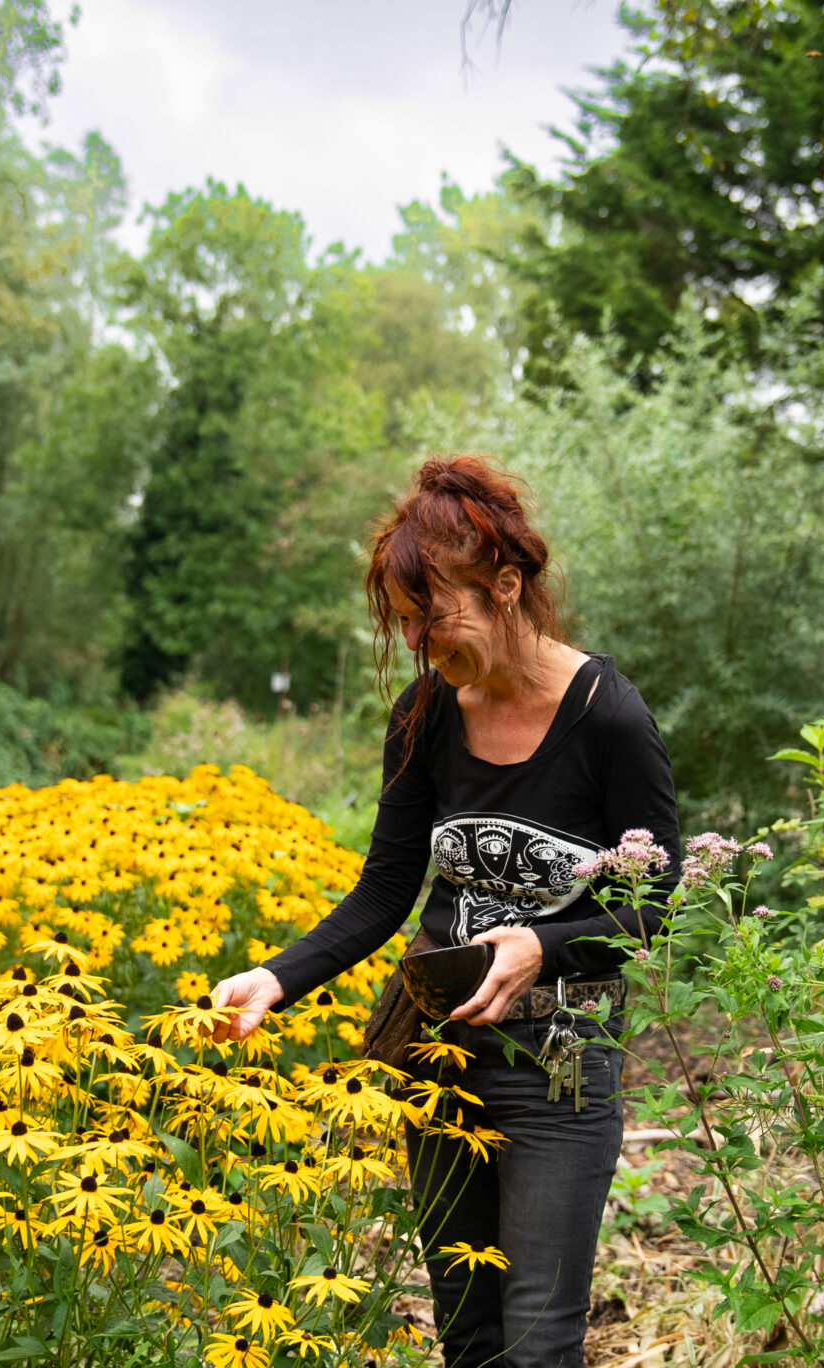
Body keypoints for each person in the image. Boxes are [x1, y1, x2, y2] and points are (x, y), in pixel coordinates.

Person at [209, 455, 680, 1368]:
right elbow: (386, 892)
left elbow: (654, 907)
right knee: (470, 1340)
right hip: (437, 1058)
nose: (421, 640)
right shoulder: (423, 712)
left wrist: (543, 947)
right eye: (405, 619)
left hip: (558, 1070)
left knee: (540, 1348)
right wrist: (275, 976)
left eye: (438, 613)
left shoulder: (609, 718)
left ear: (506, 586)